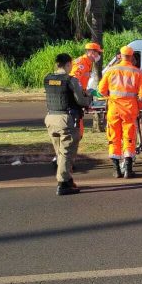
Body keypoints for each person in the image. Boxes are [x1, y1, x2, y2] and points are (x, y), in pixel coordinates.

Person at [44, 53, 92, 196]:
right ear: (68, 64)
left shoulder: (48, 78)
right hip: (66, 119)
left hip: (51, 118)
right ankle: (63, 183)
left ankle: (68, 179)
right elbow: (81, 101)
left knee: (60, 151)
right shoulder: (71, 80)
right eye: (71, 65)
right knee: (67, 152)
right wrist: (89, 96)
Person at [98, 46, 142, 178]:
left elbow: (101, 90)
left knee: (114, 137)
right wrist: (137, 105)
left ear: (120, 56)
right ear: (132, 57)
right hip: (130, 109)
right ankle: (128, 170)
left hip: (114, 108)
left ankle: (116, 170)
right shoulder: (137, 72)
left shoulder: (111, 70)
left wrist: (110, 98)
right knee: (129, 137)